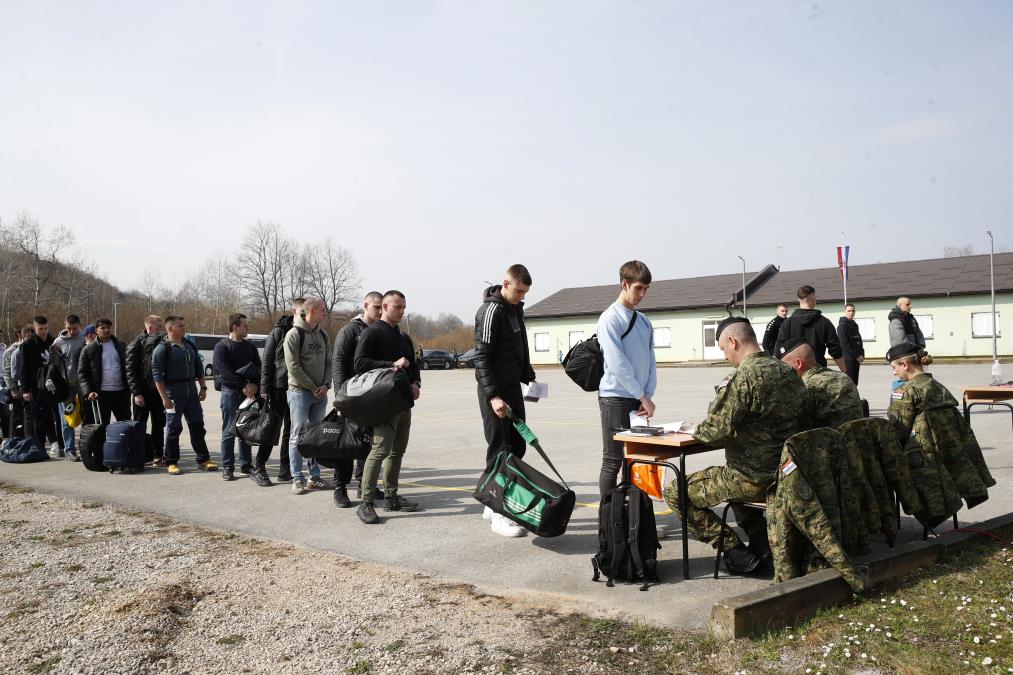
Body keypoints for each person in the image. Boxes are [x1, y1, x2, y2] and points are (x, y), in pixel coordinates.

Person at [663, 317, 806, 575]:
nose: (725, 355)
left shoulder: (744, 378)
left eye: (723, 348)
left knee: (675, 492)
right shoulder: (788, 372)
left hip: (753, 479)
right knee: (731, 477)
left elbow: (715, 431)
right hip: (787, 474)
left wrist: (695, 429)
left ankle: (735, 551)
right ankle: (762, 545)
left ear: (733, 341)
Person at [474, 264, 537, 537]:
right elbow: (481, 358)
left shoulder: (514, 309)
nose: (522, 296)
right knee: (501, 449)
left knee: (517, 445)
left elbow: (518, 348)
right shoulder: (491, 311)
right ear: (506, 284)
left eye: (525, 293)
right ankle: (500, 513)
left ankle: (491, 502)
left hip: (512, 389)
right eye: (519, 291)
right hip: (496, 393)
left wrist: (528, 376)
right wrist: (493, 396)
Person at [354, 290, 422, 524]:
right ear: (384, 307)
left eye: (404, 307)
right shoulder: (372, 332)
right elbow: (360, 363)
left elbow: (413, 365)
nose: (402, 311)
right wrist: (391, 364)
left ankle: (391, 497)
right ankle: (366, 502)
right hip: (383, 402)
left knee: (397, 451)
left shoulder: (403, 337)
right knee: (380, 450)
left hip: (404, 401)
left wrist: (415, 383)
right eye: (397, 307)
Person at [596, 261, 657, 500]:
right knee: (613, 460)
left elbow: (650, 361)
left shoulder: (643, 321)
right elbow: (617, 364)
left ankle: (630, 512)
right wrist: (641, 395)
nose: (642, 294)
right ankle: (608, 515)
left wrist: (647, 396)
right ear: (624, 284)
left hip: (639, 400)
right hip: (615, 399)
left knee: (633, 460)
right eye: (638, 288)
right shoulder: (610, 318)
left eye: (646, 289)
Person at [330, 291, 384, 507]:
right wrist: (339, 397)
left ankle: (364, 484)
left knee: (366, 444)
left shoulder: (379, 331)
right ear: (365, 305)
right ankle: (340, 487)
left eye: (382, 307)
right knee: (346, 445)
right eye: (376, 307)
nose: (379, 311)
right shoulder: (350, 330)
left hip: (371, 398)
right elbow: (338, 363)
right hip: (350, 397)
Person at [152, 315, 216, 475]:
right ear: (170, 328)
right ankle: (171, 462)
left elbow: (198, 368)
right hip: (173, 394)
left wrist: (203, 387)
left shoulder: (190, 345)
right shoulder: (162, 349)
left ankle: (203, 459)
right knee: (174, 428)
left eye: (183, 325)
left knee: (197, 426)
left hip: (192, 394)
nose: (184, 328)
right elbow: (157, 376)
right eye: (180, 325)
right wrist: (164, 398)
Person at [284, 297, 332, 495]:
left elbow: (329, 362)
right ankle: (297, 478)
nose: (325, 313)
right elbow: (293, 367)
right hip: (299, 393)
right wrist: (314, 387)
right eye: (322, 310)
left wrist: (326, 385)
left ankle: (314, 477)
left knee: (315, 436)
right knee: (297, 436)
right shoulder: (294, 335)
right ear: (311, 310)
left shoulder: (323, 335)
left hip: (320, 394)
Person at [256, 298, 304, 486]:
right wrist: (264, 388)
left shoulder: (306, 332)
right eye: (301, 313)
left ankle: (285, 469)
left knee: (291, 431)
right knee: (271, 428)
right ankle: (259, 467)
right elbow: (267, 360)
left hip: (296, 388)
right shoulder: (279, 331)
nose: (304, 316)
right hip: (278, 387)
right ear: (293, 311)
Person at [213, 313, 261, 481]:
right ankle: (227, 466)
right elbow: (225, 372)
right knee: (229, 430)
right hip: (230, 392)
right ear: (235, 327)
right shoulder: (221, 347)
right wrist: (244, 385)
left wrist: (255, 385)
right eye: (245, 326)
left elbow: (258, 367)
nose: (248, 328)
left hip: (249, 393)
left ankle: (246, 465)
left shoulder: (250, 346)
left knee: (246, 430)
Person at [777, 337, 863, 429]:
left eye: (785, 367)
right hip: (856, 436)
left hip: (829, 438)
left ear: (799, 363)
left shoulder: (805, 388)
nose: (783, 372)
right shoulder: (844, 377)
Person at [774, 285, 847, 373]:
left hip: (794, 373)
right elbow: (835, 350)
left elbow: (778, 351)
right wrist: (844, 371)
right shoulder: (825, 322)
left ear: (798, 299)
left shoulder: (786, 323)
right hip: (818, 373)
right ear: (813, 298)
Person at [125, 315, 167, 466]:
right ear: (150, 327)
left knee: (159, 425)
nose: (162, 330)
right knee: (139, 425)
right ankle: (137, 455)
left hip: (158, 392)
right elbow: (130, 370)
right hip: (142, 393)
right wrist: (136, 393)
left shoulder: (163, 343)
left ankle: (158, 455)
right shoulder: (136, 343)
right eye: (159, 327)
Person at [77, 318, 131, 424]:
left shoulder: (121, 346)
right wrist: (88, 391)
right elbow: (82, 372)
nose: (106, 330)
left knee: (125, 425)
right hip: (100, 394)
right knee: (101, 427)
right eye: (103, 328)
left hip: (121, 393)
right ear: (96, 330)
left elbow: (129, 367)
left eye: (108, 327)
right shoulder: (89, 349)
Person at [19, 315, 60, 451]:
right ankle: (41, 445)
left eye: (45, 328)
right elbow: (23, 369)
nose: (43, 332)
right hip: (36, 386)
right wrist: (25, 390)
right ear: (34, 328)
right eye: (40, 329)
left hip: (53, 385)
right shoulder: (27, 345)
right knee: (40, 417)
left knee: (54, 415)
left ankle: (57, 443)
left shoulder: (53, 342)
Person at [53, 315, 86, 461]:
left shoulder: (84, 339)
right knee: (67, 419)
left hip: (82, 385)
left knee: (86, 417)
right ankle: (69, 449)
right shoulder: (58, 342)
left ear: (79, 326)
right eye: (68, 328)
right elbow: (53, 366)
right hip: (65, 386)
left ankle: (86, 447)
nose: (71, 331)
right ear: (65, 326)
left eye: (74, 328)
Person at [836, 304, 865, 386]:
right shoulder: (842, 326)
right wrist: (856, 356)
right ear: (845, 312)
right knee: (849, 383)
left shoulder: (854, 325)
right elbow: (844, 344)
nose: (851, 313)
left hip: (856, 359)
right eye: (849, 311)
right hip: (848, 359)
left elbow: (859, 341)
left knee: (855, 383)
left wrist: (862, 354)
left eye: (853, 311)